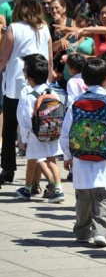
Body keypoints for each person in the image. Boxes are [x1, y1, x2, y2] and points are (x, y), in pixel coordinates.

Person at [59, 59, 106, 247]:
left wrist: (67, 155)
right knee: (104, 196)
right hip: (105, 157)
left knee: (83, 197)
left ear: (84, 80)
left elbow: (66, 132)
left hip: (81, 158)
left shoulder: (76, 102)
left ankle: (82, 232)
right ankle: (101, 232)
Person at [0, 0, 53, 185]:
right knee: (40, 127)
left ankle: (8, 169)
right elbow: (50, 58)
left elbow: (4, 58)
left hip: (15, 85)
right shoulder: (44, 28)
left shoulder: (13, 28)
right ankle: (39, 177)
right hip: (40, 85)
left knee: (10, 128)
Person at [14, 57, 64, 203]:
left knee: (31, 161)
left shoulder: (29, 94)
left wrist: (24, 138)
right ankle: (59, 189)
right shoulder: (52, 93)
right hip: (52, 132)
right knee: (52, 160)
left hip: (35, 134)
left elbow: (23, 118)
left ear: (30, 78)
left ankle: (28, 188)